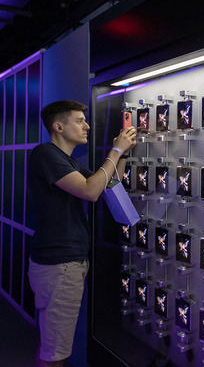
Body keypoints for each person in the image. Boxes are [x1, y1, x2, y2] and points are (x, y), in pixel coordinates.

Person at [27, 100, 136, 367]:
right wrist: (115, 150)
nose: (86, 125)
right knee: (56, 354)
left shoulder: (69, 162)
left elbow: (108, 185)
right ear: (59, 126)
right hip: (60, 265)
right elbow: (89, 190)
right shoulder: (45, 153)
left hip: (61, 264)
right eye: (79, 120)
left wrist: (120, 154)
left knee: (51, 343)